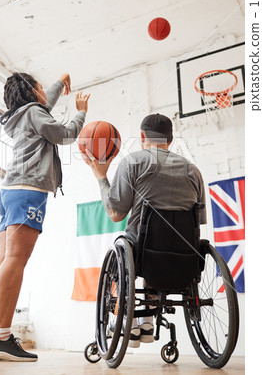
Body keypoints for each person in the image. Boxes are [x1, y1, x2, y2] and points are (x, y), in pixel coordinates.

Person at [0, 72, 90, 362]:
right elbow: (64, 135)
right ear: (32, 92)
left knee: (2, 260)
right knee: (15, 260)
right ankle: (0, 339)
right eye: (39, 86)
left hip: (9, 191)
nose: (42, 91)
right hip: (28, 191)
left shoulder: (22, 114)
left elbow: (43, 101)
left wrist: (59, 83)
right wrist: (81, 112)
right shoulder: (35, 112)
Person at [83, 113, 207, 348]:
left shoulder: (133, 161)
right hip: (185, 255)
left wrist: (101, 176)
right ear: (170, 139)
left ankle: (133, 321)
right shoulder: (193, 171)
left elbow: (115, 214)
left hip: (142, 251)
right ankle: (147, 321)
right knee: (162, 238)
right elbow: (198, 220)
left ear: (142, 136)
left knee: (128, 243)